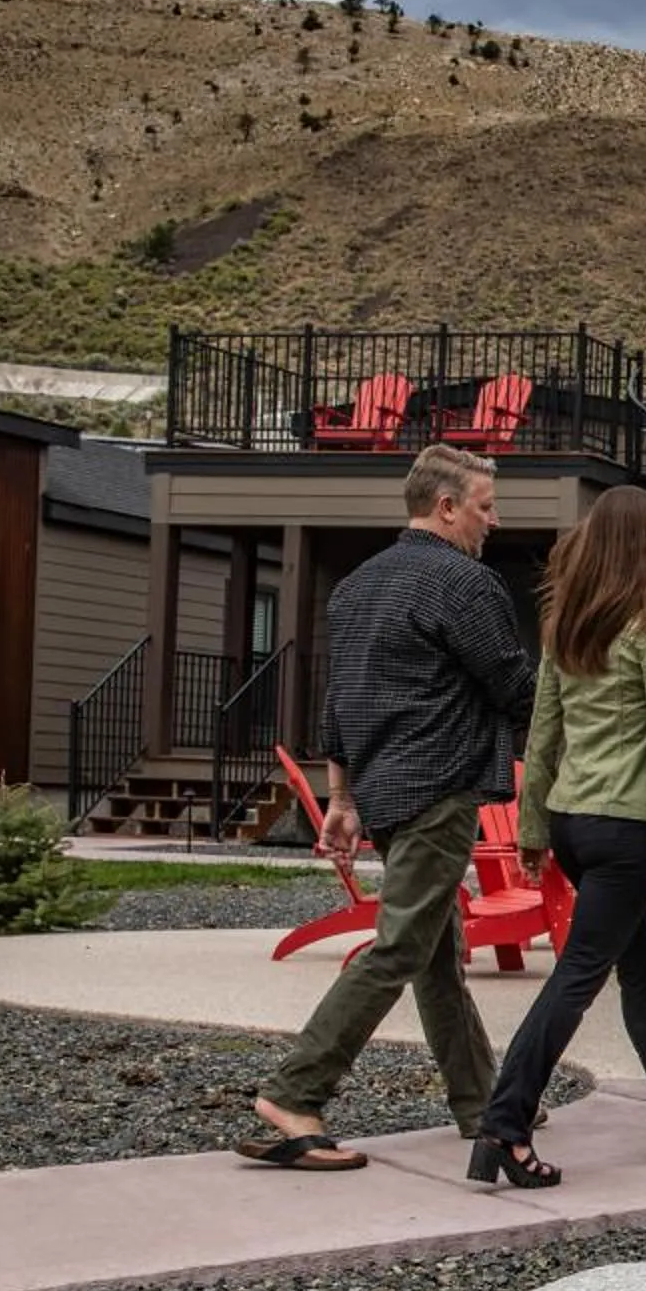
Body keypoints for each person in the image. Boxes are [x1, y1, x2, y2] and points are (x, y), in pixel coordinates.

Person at [240, 443, 534, 1170]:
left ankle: (484, 1105)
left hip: (383, 791)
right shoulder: (467, 585)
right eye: (485, 507)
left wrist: (341, 797)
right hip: (441, 786)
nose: (492, 522)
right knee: (403, 944)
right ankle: (296, 1090)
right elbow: (517, 688)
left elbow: (338, 705)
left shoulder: (356, 586)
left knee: (435, 957)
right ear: (446, 507)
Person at [468, 485, 646, 1186]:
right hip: (625, 830)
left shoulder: (568, 626)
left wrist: (532, 828)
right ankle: (505, 1126)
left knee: (643, 968)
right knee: (577, 978)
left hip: (572, 823)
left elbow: (543, 735)